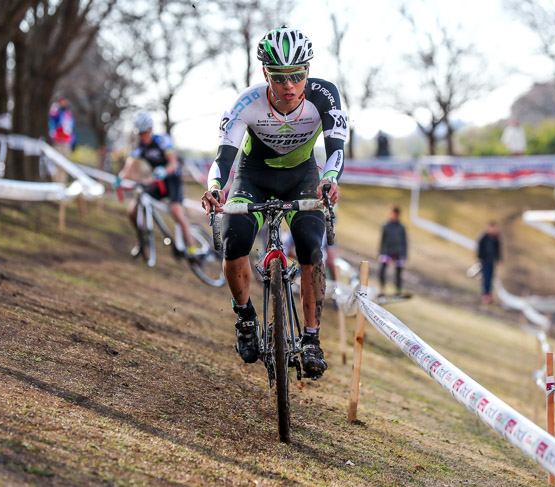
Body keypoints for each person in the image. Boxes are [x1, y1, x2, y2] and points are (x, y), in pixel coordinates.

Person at [201, 26, 346, 380]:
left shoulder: (325, 95)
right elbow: (223, 159)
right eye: (280, 77)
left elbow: (337, 150)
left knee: (312, 246)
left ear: (307, 72)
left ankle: (311, 338)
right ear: (266, 73)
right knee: (234, 242)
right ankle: (246, 317)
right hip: (254, 177)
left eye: (297, 75)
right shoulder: (246, 102)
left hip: (303, 177)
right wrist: (216, 187)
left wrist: (329, 180)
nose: (289, 85)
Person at [118, 112, 196, 258]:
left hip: (172, 180)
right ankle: (143, 239)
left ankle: (192, 249)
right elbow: (129, 166)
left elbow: (174, 163)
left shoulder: (162, 141)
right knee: (133, 211)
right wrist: (120, 178)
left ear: (151, 130)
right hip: (157, 182)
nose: (143, 137)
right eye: (141, 134)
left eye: (145, 133)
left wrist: (165, 171)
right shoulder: (139, 146)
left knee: (176, 212)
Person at [378, 205, 407, 295]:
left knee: (398, 272)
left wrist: (404, 255)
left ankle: (398, 290)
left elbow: (404, 242)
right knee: (382, 270)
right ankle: (382, 289)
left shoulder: (401, 228)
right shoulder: (386, 226)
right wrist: (381, 253)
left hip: (398, 252)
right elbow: (382, 241)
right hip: (387, 251)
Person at [477, 221, 501, 303]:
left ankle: (489, 295)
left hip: (492, 261)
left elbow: (498, 250)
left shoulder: (496, 238)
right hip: (484, 260)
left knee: (491, 278)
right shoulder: (484, 237)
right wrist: (479, 258)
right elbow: (480, 248)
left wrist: (498, 260)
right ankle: (485, 294)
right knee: (485, 277)